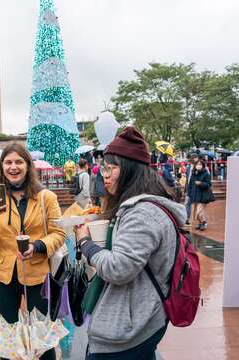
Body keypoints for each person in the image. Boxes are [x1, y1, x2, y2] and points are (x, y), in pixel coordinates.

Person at [74, 126, 185, 359]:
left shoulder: (141, 213)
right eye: (104, 167)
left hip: (128, 332)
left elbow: (118, 269)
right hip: (139, 320)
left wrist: (86, 243)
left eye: (112, 168)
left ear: (130, 171)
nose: (104, 174)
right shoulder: (140, 207)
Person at [0, 143, 65, 360]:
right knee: (7, 339)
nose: (13, 167)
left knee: (43, 339)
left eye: (19, 162)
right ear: (1, 167)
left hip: (37, 274)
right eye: (8, 162)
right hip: (3, 276)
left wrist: (36, 247)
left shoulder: (46, 197)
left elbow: (58, 233)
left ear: (28, 166)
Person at [188, 159, 214, 231]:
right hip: (195, 195)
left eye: (200, 164)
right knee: (197, 213)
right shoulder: (193, 174)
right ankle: (200, 223)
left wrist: (201, 183)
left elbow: (208, 184)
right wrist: (189, 193)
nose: (198, 166)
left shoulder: (206, 174)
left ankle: (204, 222)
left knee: (199, 212)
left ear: (203, 166)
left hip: (203, 196)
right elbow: (190, 185)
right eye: (197, 164)